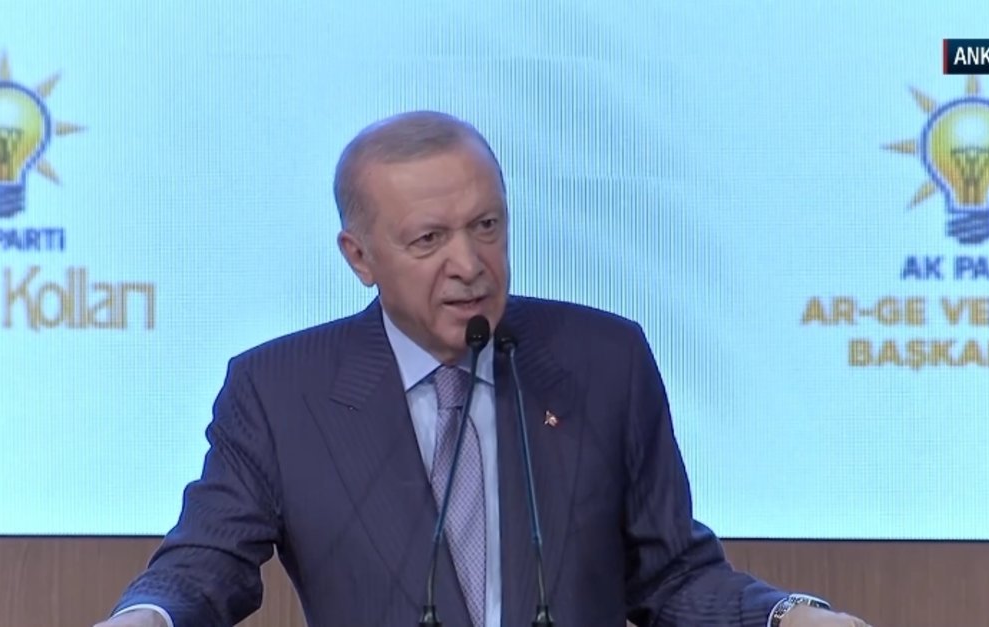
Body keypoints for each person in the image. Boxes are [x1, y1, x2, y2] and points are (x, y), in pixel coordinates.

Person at [96, 111, 872, 627]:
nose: (470, 264)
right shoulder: (279, 391)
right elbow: (207, 562)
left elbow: (672, 576)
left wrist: (788, 615)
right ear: (359, 257)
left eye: (488, 225)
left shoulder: (604, 360)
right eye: (429, 239)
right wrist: (146, 616)